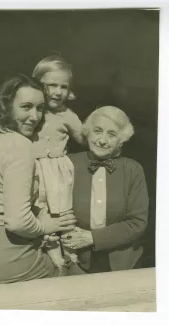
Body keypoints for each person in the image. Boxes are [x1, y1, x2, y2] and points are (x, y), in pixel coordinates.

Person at [0, 74, 76, 284]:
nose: (35, 116)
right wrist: (46, 227)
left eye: (40, 108)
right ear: (6, 106)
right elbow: (18, 222)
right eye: (26, 107)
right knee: (72, 277)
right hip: (12, 257)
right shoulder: (19, 145)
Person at [61, 106, 149, 274]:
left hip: (123, 262)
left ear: (121, 140)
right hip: (76, 259)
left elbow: (137, 223)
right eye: (98, 131)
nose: (102, 140)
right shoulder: (68, 164)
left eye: (111, 134)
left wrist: (92, 237)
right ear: (88, 132)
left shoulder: (133, 170)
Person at [32, 55, 85, 273]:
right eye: (52, 85)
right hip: (33, 168)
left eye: (63, 86)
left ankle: (71, 252)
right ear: (39, 85)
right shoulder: (34, 109)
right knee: (40, 208)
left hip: (56, 169)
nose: (58, 91)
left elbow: (84, 139)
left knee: (62, 209)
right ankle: (53, 253)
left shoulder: (68, 115)